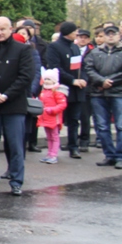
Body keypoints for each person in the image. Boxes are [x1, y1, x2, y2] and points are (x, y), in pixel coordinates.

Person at [0, 17, 35, 197]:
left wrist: (6, 95)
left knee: (15, 145)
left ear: (11, 29)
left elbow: (26, 76)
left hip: (14, 105)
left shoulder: (23, 49)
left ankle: (16, 181)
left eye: (3, 29)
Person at [44, 21, 88, 160]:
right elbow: (55, 67)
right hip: (61, 89)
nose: (77, 33)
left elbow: (81, 66)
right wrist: (72, 80)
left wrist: (83, 79)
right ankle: (53, 149)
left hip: (76, 90)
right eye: (75, 31)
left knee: (74, 120)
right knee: (56, 121)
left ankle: (73, 147)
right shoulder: (54, 47)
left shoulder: (75, 47)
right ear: (69, 32)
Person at [84, 24, 122, 168]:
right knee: (102, 126)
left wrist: (110, 82)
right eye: (108, 34)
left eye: (113, 33)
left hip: (118, 93)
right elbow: (88, 68)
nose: (110, 36)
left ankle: (120, 156)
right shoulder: (95, 53)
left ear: (119, 35)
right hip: (98, 93)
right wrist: (101, 81)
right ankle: (109, 155)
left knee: (120, 126)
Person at [37, 69, 68, 164]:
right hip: (45, 117)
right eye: (45, 78)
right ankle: (49, 154)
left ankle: (53, 155)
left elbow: (62, 105)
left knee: (54, 137)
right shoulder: (44, 90)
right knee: (49, 137)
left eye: (49, 79)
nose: (46, 81)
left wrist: (53, 110)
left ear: (54, 80)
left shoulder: (57, 91)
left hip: (54, 118)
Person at [76, 28, 94, 150]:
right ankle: (74, 139)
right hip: (74, 87)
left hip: (87, 88)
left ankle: (84, 140)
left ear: (88, 39)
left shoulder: (92, 52)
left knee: (85, 116)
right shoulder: (73, 50)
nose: (82, 39)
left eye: (85, 37)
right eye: (80, 37)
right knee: (73, 116)